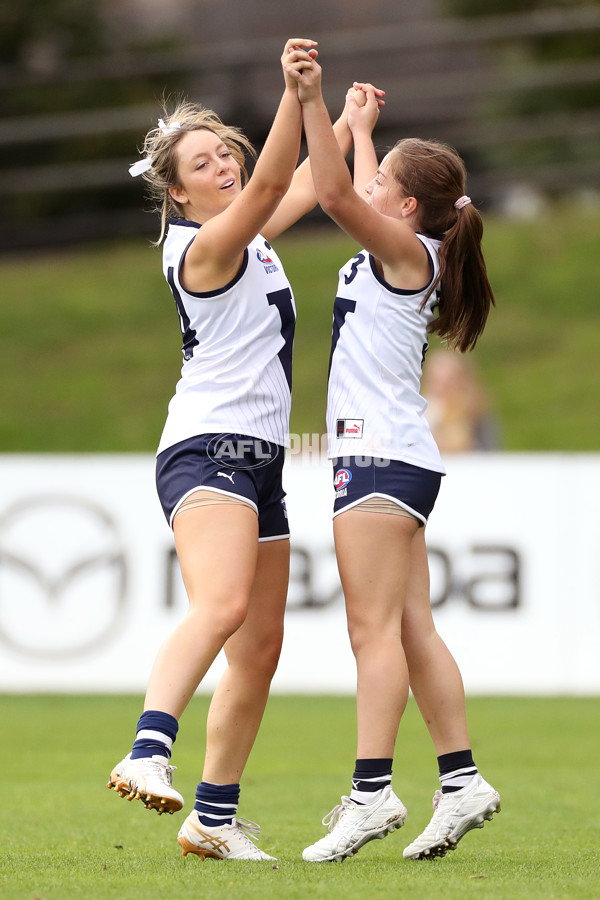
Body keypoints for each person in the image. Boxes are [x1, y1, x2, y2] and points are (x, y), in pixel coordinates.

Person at [107, 39, 383, 862]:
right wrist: (298, 95)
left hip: (259, 460)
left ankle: (213, 819)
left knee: (261, 648)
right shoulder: (202, 248)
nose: (223, 166)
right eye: (204, 163)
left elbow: (300, 184)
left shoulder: (249, 235)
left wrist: (339, 119)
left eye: (224, 152)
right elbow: (272, 183)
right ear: (176, 190)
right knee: (223, 606)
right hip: (203, 450)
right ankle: (148, 746)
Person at [287, 56, 501, 862]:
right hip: (396, 457)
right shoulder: (414, 246)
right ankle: (461, 781)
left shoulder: (405, 250)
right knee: (411, 628)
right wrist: (366, 134)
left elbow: (341, 195)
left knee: (371, 633)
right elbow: (368, 188)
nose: (373, 187)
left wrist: (313, 106)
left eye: (388, 186)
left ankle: (372, 792)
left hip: (375, 457)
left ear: (408, 208)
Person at [421, 349, 500, 452]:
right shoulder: (418, 416)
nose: (440, 390)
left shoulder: (478, 419)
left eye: (448, 384)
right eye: (435, 382)